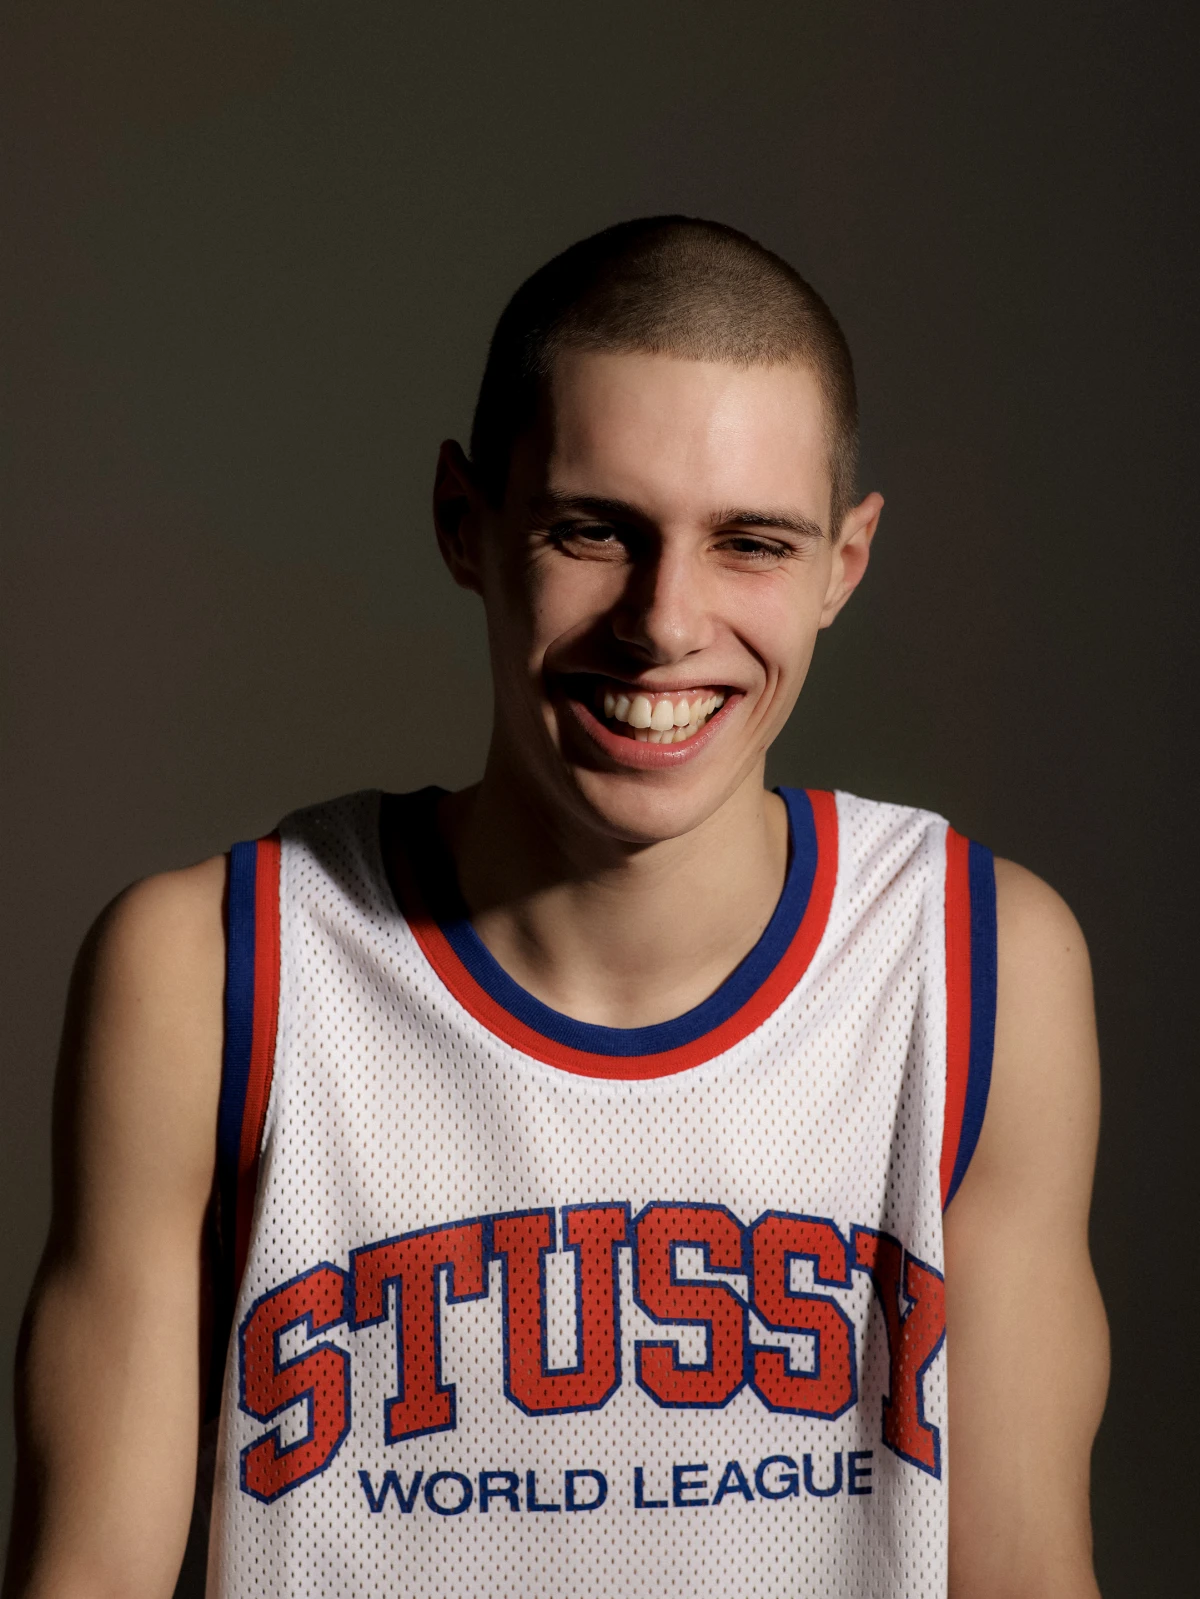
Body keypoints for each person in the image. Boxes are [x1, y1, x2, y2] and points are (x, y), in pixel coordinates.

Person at [4, 217, 1108, 1599]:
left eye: (752, 543)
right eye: (594, 531)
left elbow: (1027, 1572)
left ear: (845, 562)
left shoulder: (976, 963)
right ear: (463, 524)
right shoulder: (208, 975)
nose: (665, 622)